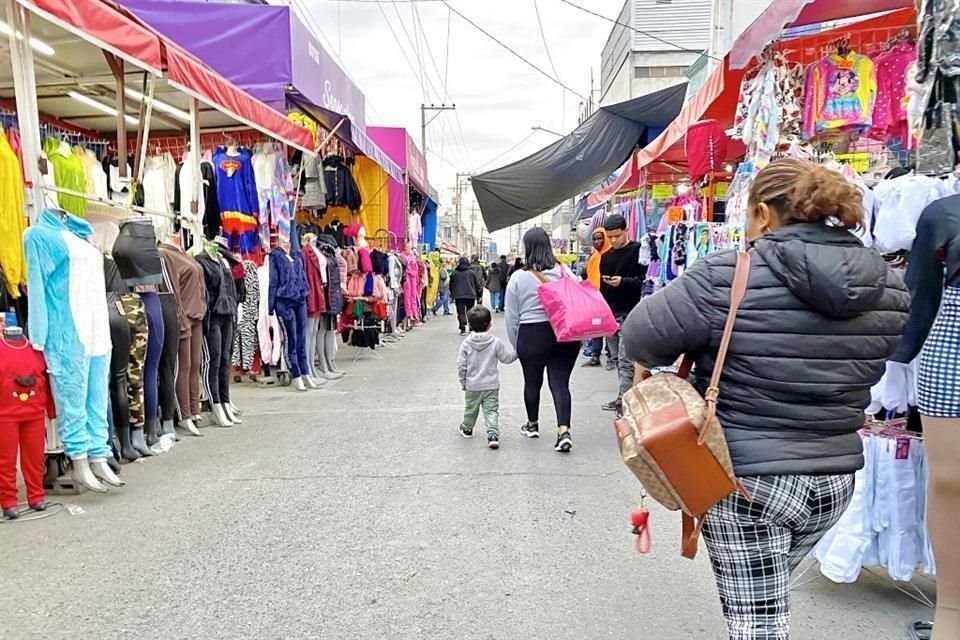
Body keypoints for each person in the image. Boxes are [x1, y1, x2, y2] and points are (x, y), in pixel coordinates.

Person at [621, 159, 910, 640]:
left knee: (758, 627)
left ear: (762, 214)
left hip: (748, 482)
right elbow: (893, 349)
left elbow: (640, 339)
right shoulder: (887, 285)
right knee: (764, 604)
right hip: (835, 480)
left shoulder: (725, 275)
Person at [505, 228, 580, 453]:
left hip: (532, 334)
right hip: (564, 334)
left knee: (532, 381)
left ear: (528, 248)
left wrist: (516, 344)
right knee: (560, 383)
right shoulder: (566, 272)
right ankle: (563, 431)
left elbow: (512, 316)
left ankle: (532, 424)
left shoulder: (519, 277)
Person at [599, 214, 645, 413]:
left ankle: (625, 401)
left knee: (627, 361)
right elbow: (602, 289)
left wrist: (623, 282)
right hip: (610, 314)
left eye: (617, 236)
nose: (613, 240)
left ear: (626, 230)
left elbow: (646, 281)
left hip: (632, 313)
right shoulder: (606, 257)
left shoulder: (638, 250)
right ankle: (623, 396)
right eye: (610, 237)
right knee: (616, 359)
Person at [457, 305, 518, 449]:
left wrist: (463, 381)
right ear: (489, 325)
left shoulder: (466, 344)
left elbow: (461, 365)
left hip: (472, 385)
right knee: (491, 410)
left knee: (471, 408)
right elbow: (507, 358)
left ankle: (467, 428)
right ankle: (492, 435)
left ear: (470, 325)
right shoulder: (495, 342)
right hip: (491, 385)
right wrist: (518, 352)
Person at [582, 227, 610, 367]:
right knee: (596, 327)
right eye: (595, 239)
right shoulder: (593, 258)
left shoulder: (611, 255)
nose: (597, 241)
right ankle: (595, 356)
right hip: (594, 299)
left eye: (600, 238)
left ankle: (612, 357)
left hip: (609, 298)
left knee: (611, 330)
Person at [450, 256, 482, 336]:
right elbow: (477, 285)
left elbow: (451, 285)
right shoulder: (471, 273)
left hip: (459, 296)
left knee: (461, 312)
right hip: (470, 295)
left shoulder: (455, 273)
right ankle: (471, 327)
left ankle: (462, 328)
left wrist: (453, 294)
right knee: (470, 312)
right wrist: (479, 295)